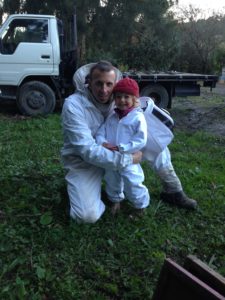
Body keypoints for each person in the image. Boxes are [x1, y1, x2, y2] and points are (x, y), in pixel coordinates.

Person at [61, 60, 197, 224]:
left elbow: (137, 125)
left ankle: (173, 189)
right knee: (86, 216)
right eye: (98, 84)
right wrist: (128, 159)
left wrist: (137, 108)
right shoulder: (74, 105)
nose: (104, 90)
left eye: (109, 84)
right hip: (85, 161)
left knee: (154, 141)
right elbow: (87, 150)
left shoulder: (119, 98)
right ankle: (83, 189)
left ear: (115, 84)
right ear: (88, 82)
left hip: (121, 149)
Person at [95, 77, 150, 214]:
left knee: (133, 181)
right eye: (118, 97)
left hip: (129, 158)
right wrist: (102, 142)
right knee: (111, 179)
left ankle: (140, 205)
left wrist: (123, 148)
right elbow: (101, 131)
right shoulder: (112, 116)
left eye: (127, 97)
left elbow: (141, 139)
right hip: (111, 156)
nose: (122, 100)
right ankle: (115, 200)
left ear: (134, 99)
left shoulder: (137, 117)